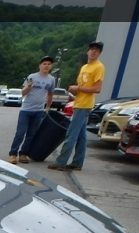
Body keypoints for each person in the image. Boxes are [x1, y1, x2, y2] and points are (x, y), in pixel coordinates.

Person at [49, 41, 105, 171]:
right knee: (81, 135)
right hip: (79, 102)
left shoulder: (99, 67)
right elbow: (83, 87)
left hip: (84, 106)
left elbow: (97, 89)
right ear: (88, 51)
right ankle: (77, 162)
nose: (93, 51)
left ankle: (61, 162)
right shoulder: (85, 67)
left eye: (96, 50)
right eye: (91, 49)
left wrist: (78, 88)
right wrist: (74, 92)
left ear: (99, 53)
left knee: (71, 134)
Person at [8, 56, 55, 164]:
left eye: (49, 64)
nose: (46, 66)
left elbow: (50, 94)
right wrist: (28, 87)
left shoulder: (51, 79)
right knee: (20, 133)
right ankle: (13, 154)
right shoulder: (32, 77)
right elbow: (23, 93)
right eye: (44, 64)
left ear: (51, 66)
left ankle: (23, 154)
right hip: (26, 110)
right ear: (40, 65)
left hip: (38, 111)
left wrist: (47, 108)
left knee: (31, 134)